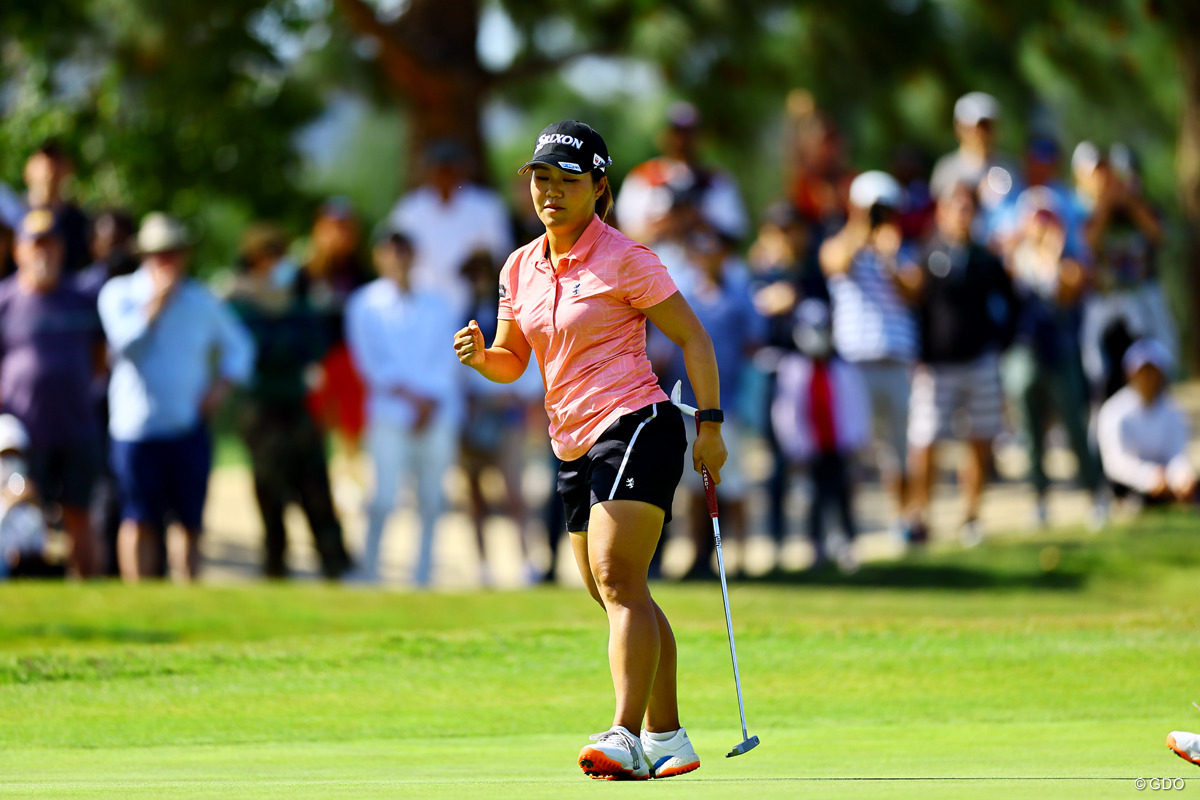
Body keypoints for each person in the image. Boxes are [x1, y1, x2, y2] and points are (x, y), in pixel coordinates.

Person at [453, 120, 725, 780]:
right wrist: (482, 357)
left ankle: (624, 735)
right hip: (571, 440)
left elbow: (694, 340)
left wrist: (711, 427)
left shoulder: (627, 258)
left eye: (566, 182)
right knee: (616, 591)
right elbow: (515, 359)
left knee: (616, 577)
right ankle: (669, 737)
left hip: (637, 423)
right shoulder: (519, 266)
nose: (549, 193)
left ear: (599, 189)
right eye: (541, 180)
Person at [98, 212, 255, 582]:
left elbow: (241, 347)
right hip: (135, 428)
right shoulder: (119, 294)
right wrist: (156, 303)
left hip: (187, 426)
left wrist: (221, 388)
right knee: (139, 520)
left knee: (189, 522)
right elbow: (126, 347)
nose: (166, 261)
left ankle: (187, 595)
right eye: (158, 253)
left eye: (173, 252)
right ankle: (140, 598)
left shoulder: (202, 301)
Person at [225, 224, 352, 580]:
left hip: (298, 406)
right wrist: (282, 332)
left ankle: (335, 565)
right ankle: (276, 567)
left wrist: (284, 325)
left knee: (315, 486)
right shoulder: (239, 305)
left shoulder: (299, 300)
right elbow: (258, 352)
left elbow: (316, 343)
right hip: (260, 409)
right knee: (270, 493)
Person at [345, 230, 461, 587]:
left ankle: (423, 574)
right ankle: (369, 569)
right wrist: (413, 399)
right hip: (389, 413)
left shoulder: (438, 303)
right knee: (382, 496)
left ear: (414, 255)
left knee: (431, 498)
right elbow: (369, 362)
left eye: (403, 250)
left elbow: (449, 356)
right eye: (389, 250)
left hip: (437, 413)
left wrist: (430, 401)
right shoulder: (364, 303)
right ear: (378, 256)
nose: (397, 258)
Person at [906, 183, 1018, 546]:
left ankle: (971, 515)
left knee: (980, 439)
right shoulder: (928, 254)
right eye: (956, 207)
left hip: (980, 361)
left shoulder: (987, 259)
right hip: (936, 365)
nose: (962, 215)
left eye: (969, 208)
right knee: (925, 440)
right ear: (942, 212)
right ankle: (920, 516)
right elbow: (916, 305)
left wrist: (1000, 343)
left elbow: (1012, 304)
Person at [820, 171, 923, 541]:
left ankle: (903, 522)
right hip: (855, 361)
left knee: (899, 448)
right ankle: (847, 530)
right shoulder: (841, 243)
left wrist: (889, 255)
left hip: (896, 359)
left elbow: (914, 291)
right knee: (852, 450)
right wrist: (862, 231)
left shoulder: (902, 249)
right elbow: (836, 263)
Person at [2, 209, 105, 577]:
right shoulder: (5, 301)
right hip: (25, 433)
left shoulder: (82, 297)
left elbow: (99, 357)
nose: (43, 252)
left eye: (50, 244)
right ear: (20, 251)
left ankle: (86, 590)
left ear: (62, 249)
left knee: (79, 512)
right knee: (23, 509)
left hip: (78, 427)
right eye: (35, 244)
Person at [663, 226, 764, 580]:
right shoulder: (683, 292)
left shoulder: (738, 294)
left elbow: (755, 340)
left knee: (732, 485)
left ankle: (739, 557)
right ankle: (699, 557)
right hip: (687, 405)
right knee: (695, 487)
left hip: (729, 404)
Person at [1000, 188, 1105, 528]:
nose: (1041, 225)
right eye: (1035, 218)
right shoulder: (1012, 258)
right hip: (1024, 353)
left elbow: (1066, 296)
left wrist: (1053, 258)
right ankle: (1039, 499)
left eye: (1047, 218)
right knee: (1030, 430)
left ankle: (1093, 493)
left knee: (1075, 425)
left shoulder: (1071, 259)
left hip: (1061, 352)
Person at [458, 249, 545, 586]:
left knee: (513, 491)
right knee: (475, 492)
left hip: (508, 412)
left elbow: (528, 354)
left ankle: (526, 561)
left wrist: (522, 398)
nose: (476, 281)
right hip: (474, 413)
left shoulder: (514, 307)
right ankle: (482, 565)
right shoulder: (463, 312)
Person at [771, 300, 870, 573]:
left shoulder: (843, 368)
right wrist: (795, 447)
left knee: (841, 495)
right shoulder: (792, 368)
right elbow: (786, 412)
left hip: (838, 445)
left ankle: (848, 545)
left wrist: (857, 442)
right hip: (808, 448)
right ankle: (816, 549)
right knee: (812, 498)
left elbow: (856, 408)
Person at [387, 139, 513, 318]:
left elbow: (501, 255)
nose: (444, 174)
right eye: (439, 168)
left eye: (450, 167)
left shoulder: (486, 205)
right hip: (419, 305)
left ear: (462, 169)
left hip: (473, 305)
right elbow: (392, 252)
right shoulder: (410, 208)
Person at [615, 102, 749, 245]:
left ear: (701, 138)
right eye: (678, 133)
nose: (683, 140)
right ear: (664, 136)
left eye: (689, 133)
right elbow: (621, 236)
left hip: (701, 264)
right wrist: (664, 225)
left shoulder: (717, 180)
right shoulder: (643, 176)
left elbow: (737, 233)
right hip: (652, 263)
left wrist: (699, 221)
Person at [301, 198, 370, 468]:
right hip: (316, 357)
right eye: (332, 226)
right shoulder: (304, 273)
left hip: (349, 356)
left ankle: (350, 478)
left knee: (351, 425)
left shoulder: (361, 273)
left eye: (345, 227)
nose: (339, 234)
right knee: (315, 424)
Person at [1097, 339, 1196, 506]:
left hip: (1164, 482)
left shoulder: (1174, 411)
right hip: (1129, 485)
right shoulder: (1114, 411)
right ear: (1130, 374)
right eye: (1142, 372)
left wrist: (1180, 477)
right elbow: (1115, 463)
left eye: (1152, 371)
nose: (1147, 378)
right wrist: (1149, 477)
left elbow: (1176, 454)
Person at [929, 92, 1019, 232]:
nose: (980, 133)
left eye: (986, 126)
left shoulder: (1010, 168)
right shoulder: (946, 170)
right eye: (974, 127)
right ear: (959, 128)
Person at [22, 141, 91, 274]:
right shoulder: (14, 214)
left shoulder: (79, 221)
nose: (51, 169)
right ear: (29, 169)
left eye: (57, 162)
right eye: (45, 162)